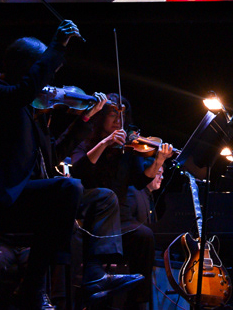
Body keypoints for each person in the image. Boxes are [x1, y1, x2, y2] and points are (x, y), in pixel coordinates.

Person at [0, 21, 141, 310]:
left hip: (31, 198)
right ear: (25, 66)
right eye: (43, 69)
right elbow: (20, 93)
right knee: (67, 189)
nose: (49, 80)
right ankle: (33, 288)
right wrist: (56, 47)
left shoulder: (31, 108)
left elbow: (53, 156)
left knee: (102, 197)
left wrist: (85, 120)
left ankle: (93, 275)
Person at [70, 95, 173, 310]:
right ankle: (95, 283)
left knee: (144, 236)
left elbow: (140, 180)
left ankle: (139, 301)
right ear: (101, 117)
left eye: (122, 115)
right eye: (113, 114)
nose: (119, 120)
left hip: (121, 219)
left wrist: (160, 160)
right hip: (89, 215)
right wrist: (105, 143)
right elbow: (78, 169)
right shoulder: (87, 139)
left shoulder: (129, 148)